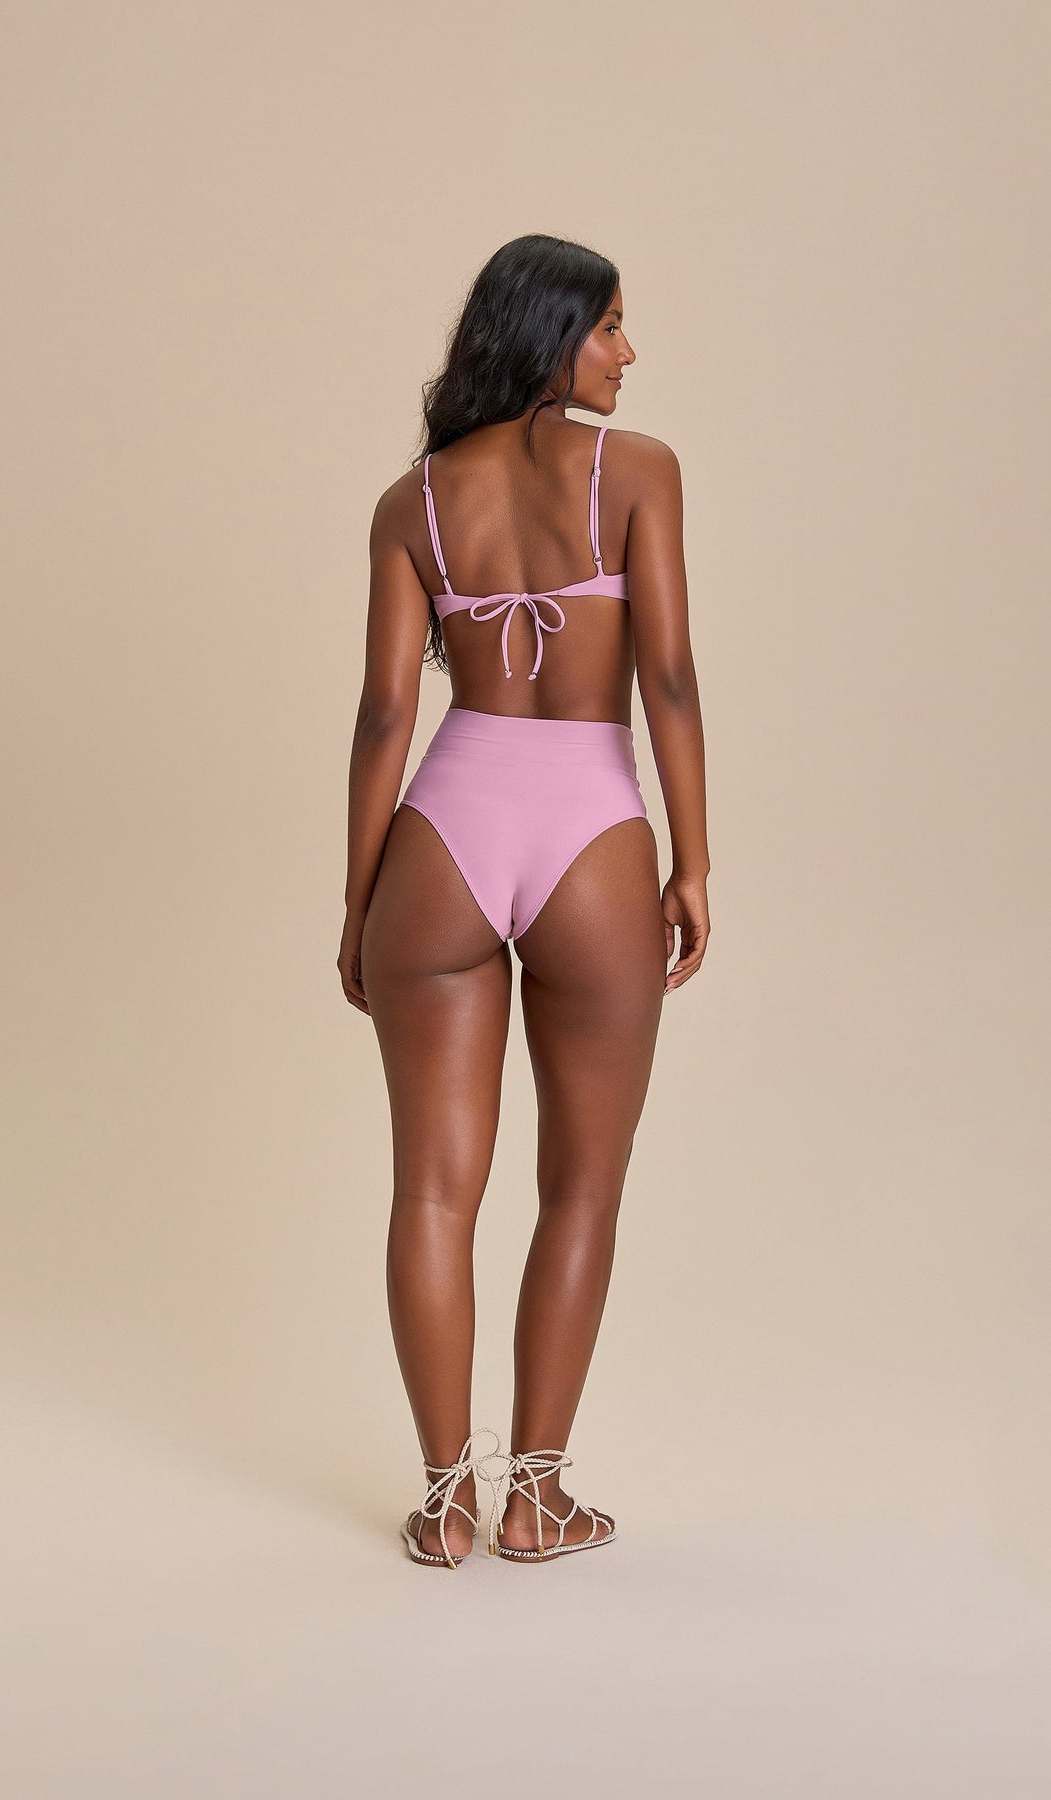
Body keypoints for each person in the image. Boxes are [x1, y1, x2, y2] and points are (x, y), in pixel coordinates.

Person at [339, 233, 710, 1565]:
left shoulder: (413, 501)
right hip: (589, 828)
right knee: (580, 1191)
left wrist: (358, 902)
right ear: (550, 333)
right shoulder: (640, 471)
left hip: (441, 831)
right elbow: (667, 680)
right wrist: (693, 861)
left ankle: (447, 1500)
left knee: (431, 1193)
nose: (627, 352)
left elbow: (386, 714)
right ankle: (536, 1499)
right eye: (608, 326)